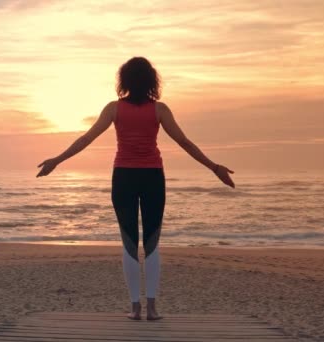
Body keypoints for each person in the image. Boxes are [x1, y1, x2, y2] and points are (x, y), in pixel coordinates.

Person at [36, 57, 235, 321]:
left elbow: (86, 139)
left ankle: (135, 308)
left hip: (124, 178)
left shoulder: (113, 109)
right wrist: (214, 167)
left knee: (129, 243)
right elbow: (184, 142)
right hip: (153, 176)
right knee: (151, 243)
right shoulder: (160, 109)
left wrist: (56, 161)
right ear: (152, 80)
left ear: (124, 81)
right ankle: (152, 308)